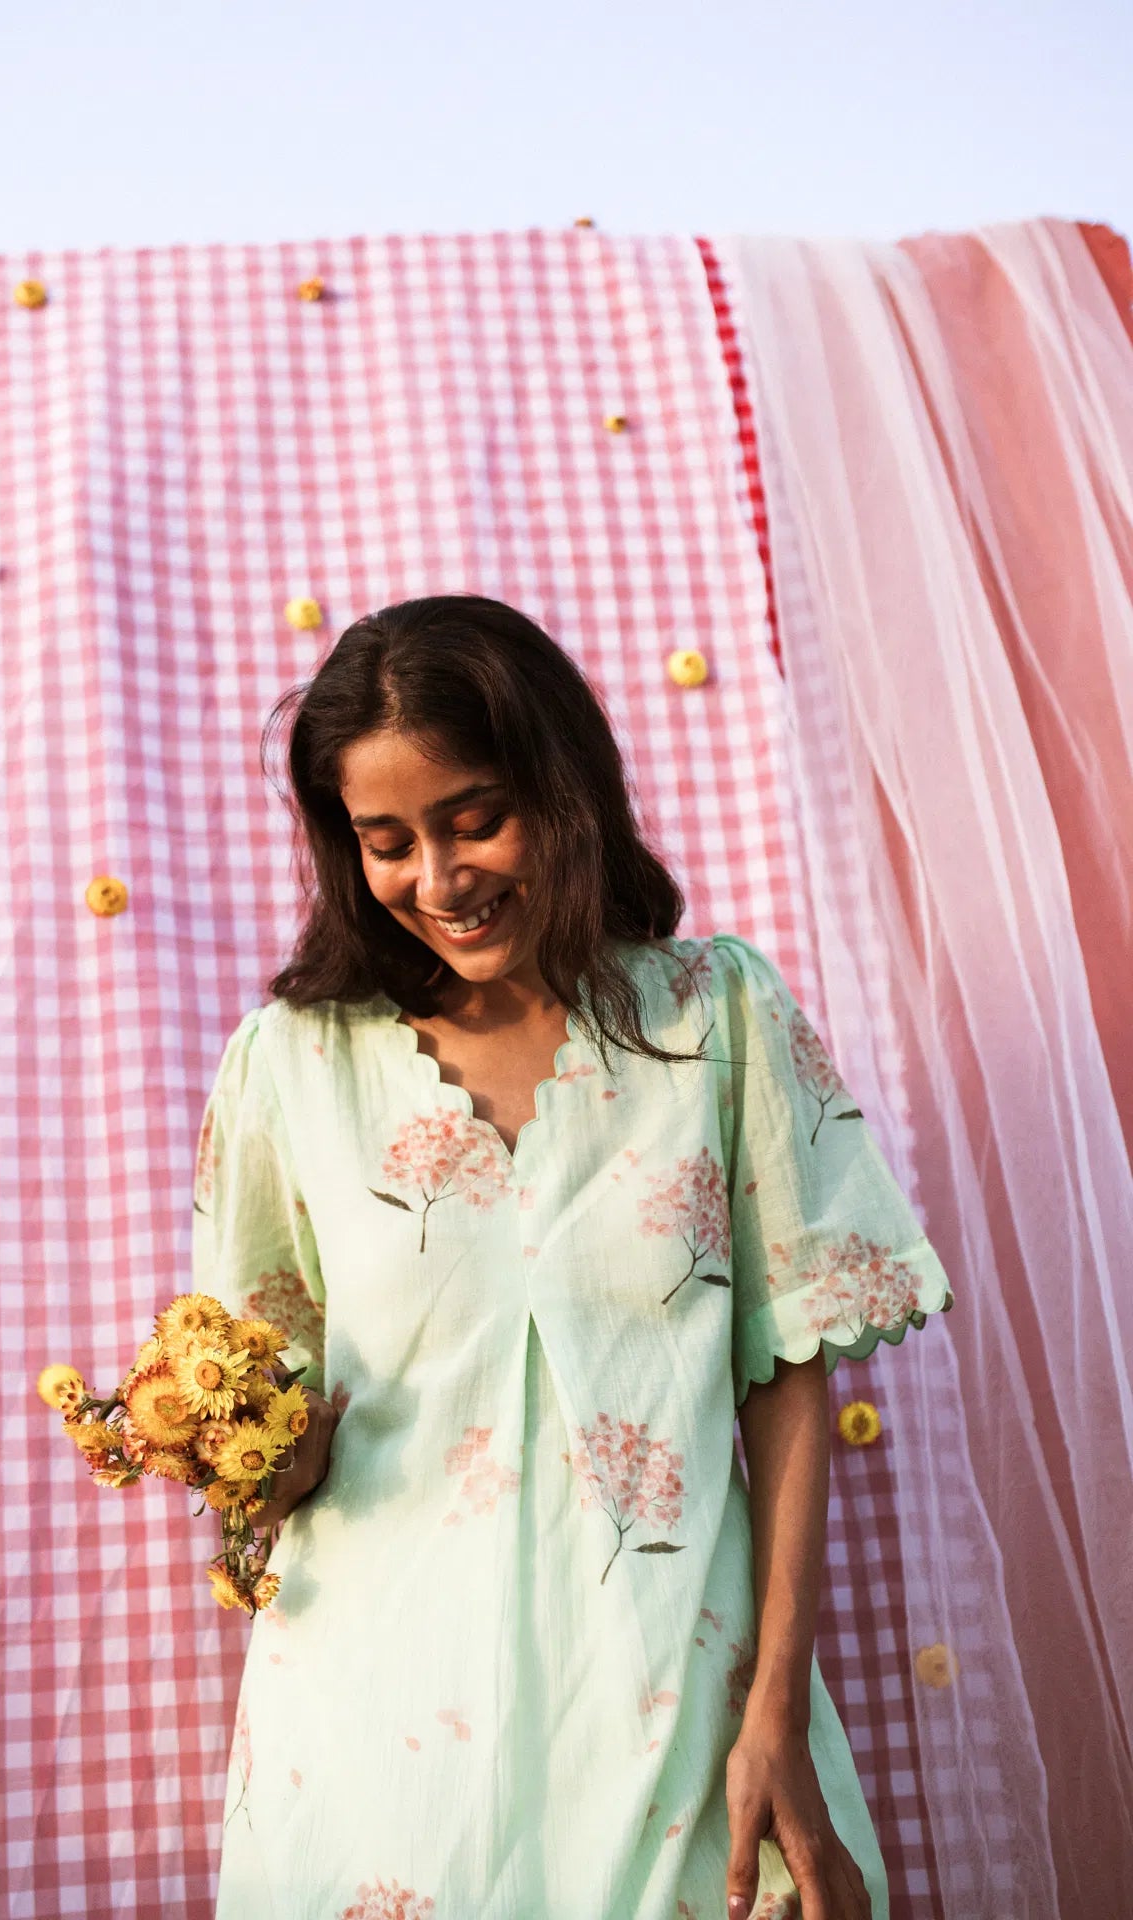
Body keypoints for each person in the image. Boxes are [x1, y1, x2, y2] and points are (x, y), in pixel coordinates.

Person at [193, 595, 955, 1920]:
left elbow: (787, 1375)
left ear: (564, 786)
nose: (439, 880)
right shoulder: (291, 1069)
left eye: (475, 817)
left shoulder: (717, 1017)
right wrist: (258, 1457)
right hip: (376, 1747)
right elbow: (253, 1417)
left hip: (676, 1702)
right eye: (388, 842)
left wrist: (776, 1710)